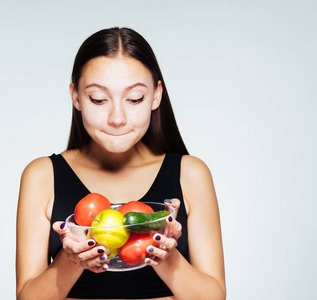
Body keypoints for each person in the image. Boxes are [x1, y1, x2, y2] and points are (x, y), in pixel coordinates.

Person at [16, 27, 226, 300]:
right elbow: (27, 297)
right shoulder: (42, 175)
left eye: (135, 98)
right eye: (98, 99)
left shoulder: (191, 173)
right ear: (76, 97)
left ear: (156, 95)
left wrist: (165, 256)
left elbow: (214, 296)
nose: (117, 118)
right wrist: (74, 259)